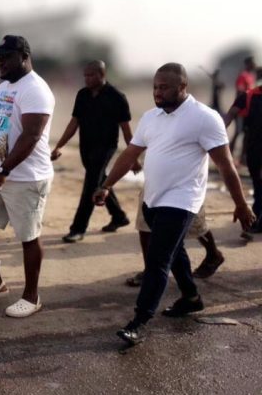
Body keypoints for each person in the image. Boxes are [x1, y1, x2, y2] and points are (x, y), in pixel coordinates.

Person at [93, 63, 255, 345]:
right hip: (154, 197)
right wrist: (106, 185)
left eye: (164, 87)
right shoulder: (151, 118)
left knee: (157, 260)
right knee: (174, 251)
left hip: (182, 199)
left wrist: (241, 204)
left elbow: (226, 166)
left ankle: (139, 321)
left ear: (182, 87)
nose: (158, 92)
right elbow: (130, 154)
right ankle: (191, 298)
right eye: (155, 86)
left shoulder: (204, 118)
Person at [0, 35, 55, 318]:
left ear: (24, 56)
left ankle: (31, 296)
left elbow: (30, 135)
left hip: (25, 177)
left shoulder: (36, 89)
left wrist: (3, 171)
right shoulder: (4, 86)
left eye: (6, 57)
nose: (0, 63)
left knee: (28, 236)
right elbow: (4, 115)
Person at [51, 60, 136, 243]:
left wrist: (133, 157)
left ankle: (78, 228)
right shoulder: (82, 95)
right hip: (86, 146)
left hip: (106, 147)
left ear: (102, 75)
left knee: (90, 184)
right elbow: (74, 123)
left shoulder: (117, 97)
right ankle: (119, 216)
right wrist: (60, 145)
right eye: (85, 76)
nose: (87, 79)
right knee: (100, 180)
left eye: (91, 75)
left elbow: (126, 130)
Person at [225, 72, 262, 234]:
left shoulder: (249, 96)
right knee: (259, 186)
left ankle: (257, 219)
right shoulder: (249, 96)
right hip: (256, 152)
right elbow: (229, 116)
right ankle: (256, 219)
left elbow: (230, 116)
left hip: (254, 151)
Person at [229, 56, 256, 159]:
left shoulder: (251, 76)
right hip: (241, 109)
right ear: (248, 64)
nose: (254, 65)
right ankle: (229, 154)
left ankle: (243, 157)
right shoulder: (243, 76)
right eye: (252, 63)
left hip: (249, 109)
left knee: (247, 133)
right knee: (238, 132)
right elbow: (240, 91)